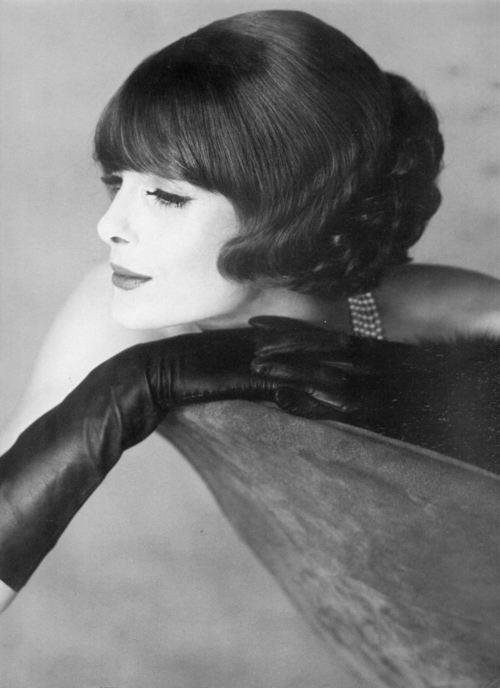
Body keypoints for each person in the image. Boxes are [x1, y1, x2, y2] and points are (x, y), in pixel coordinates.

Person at [1, 10, 499, 612]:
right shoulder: (120, 309)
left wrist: (419, 388)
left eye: (166, 196)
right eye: (117, 183)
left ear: (296, 210)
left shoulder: (443, 310)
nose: (109, 225)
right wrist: (132, 382)